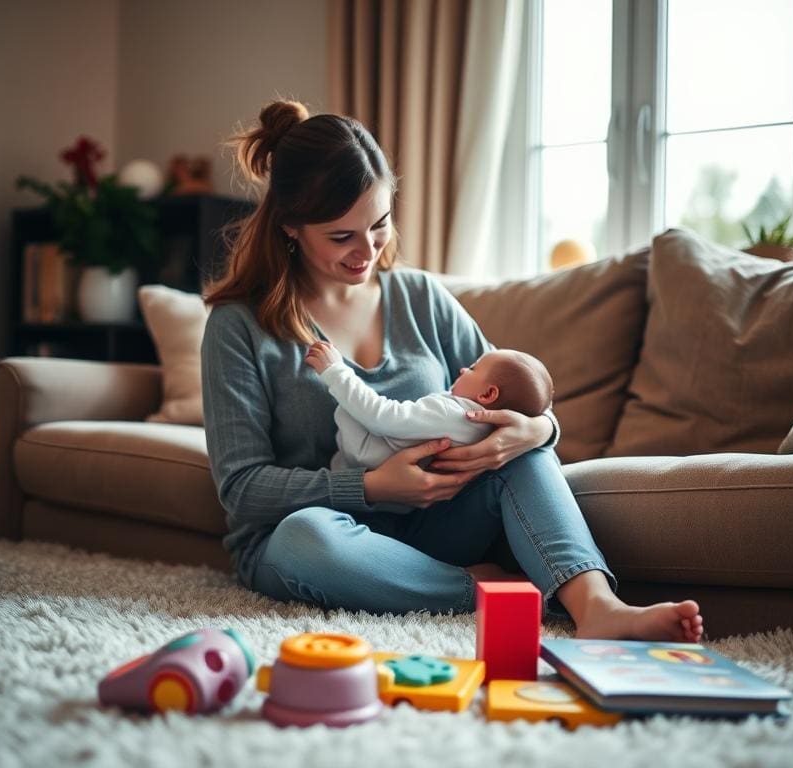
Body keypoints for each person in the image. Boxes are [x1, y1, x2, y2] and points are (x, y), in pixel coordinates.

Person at [201, 99, 703, 642]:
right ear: (291, 228)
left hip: (434, 526)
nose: (366, 250)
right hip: (325, 538)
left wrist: (538, 430)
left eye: (379, 225)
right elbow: (242, 488)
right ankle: (481, 590)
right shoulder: (239, 325)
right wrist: (371, 487)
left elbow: (511, 395)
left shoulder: (420, 297)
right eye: (341, 236)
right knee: (305, 538)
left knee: (525, 454)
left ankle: (598, 607)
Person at [305, 340, 554, 471]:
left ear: (488, 394)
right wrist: (544, 425)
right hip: (403, 490)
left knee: (346, 409)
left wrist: (335, 371)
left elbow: (380, 417)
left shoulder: (451, 413)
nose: (462, 369)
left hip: (365, 457)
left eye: (473, 368)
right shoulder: (485, 428)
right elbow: (532, 395)